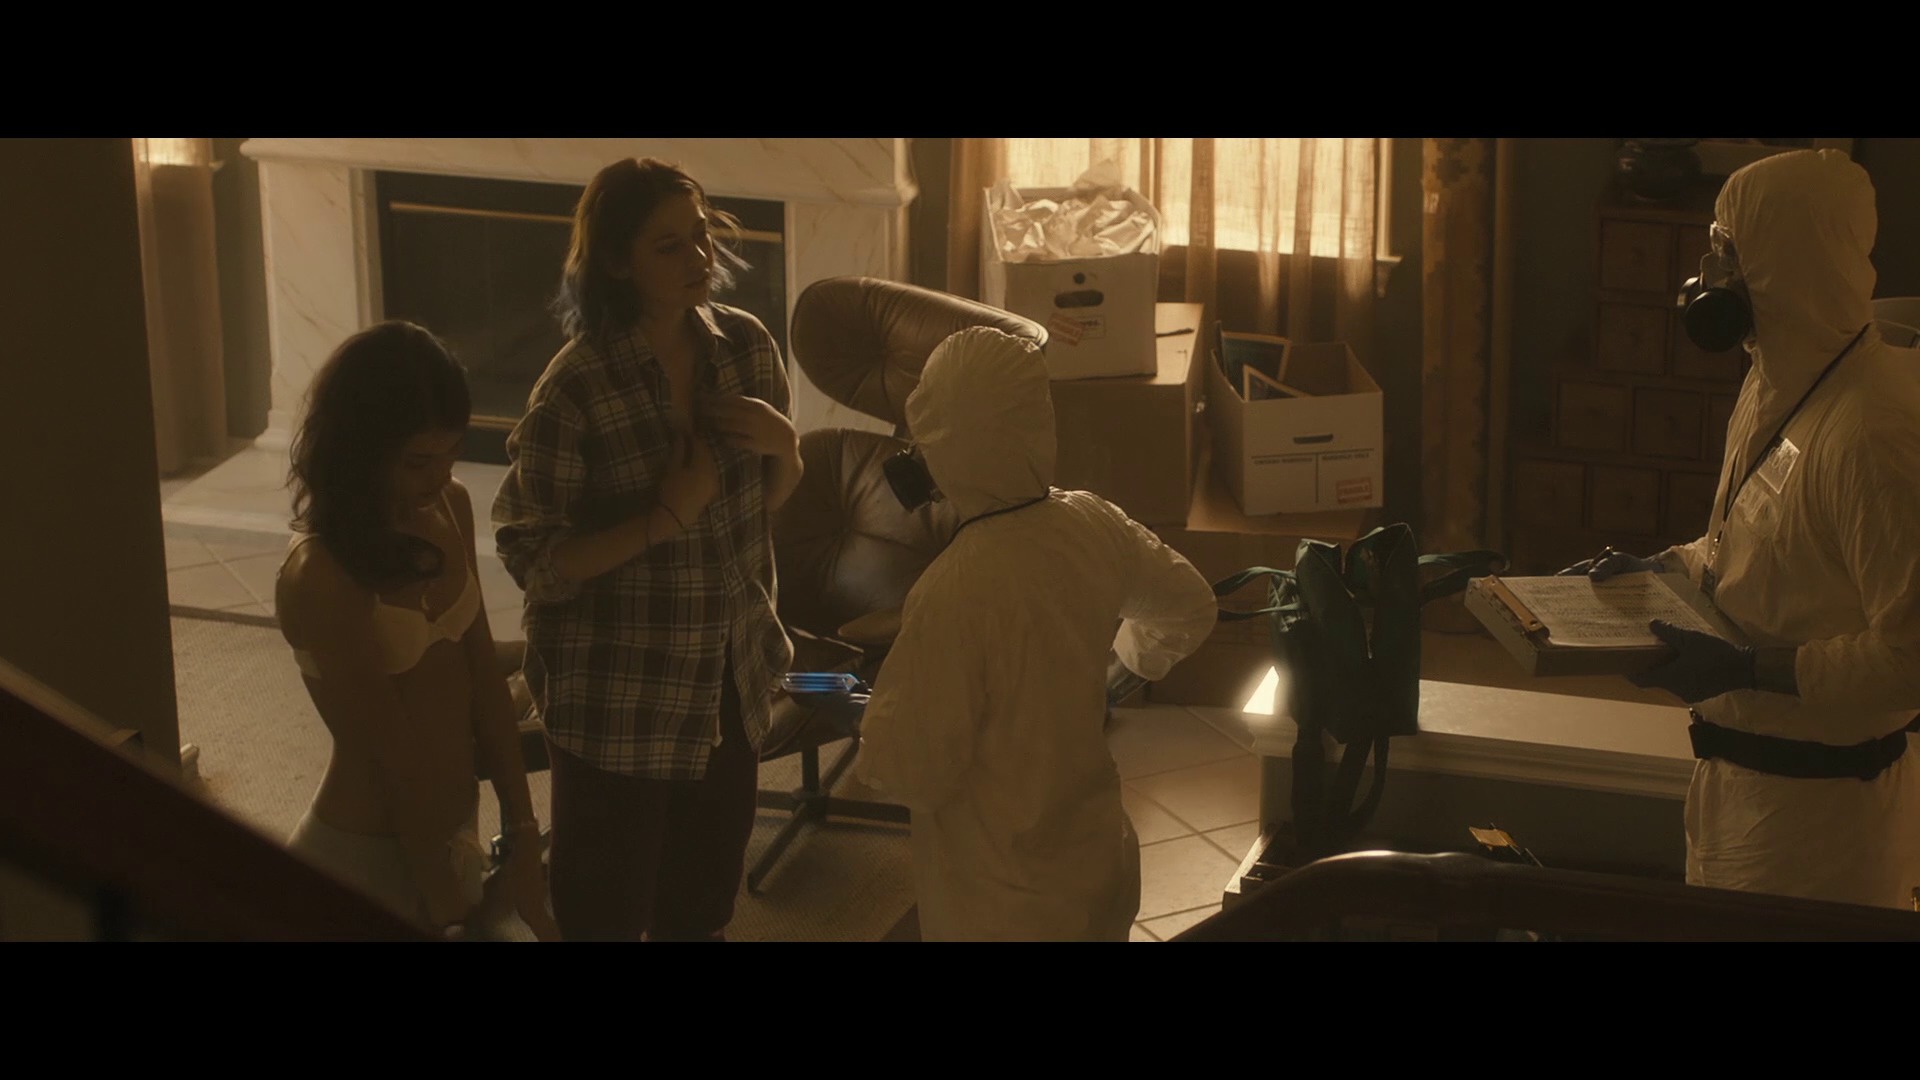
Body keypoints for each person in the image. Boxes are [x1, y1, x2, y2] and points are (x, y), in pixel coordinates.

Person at [1562, 149, 1920, 910]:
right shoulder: (1777, 383)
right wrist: (1665, 568)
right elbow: (1753, 545)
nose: (1705, 272)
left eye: (1724, 248)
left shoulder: (1875, 436)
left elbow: (1911, 659)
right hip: (1738, 791)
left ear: (1782, 260)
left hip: (1824, 830)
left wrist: (1749, 670)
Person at [491, 158, 801, 941]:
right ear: (616, 262)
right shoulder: (574, 390)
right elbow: (534, 561)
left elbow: (759, 511)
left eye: (701, 235)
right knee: (604, 919)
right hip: (619, 703)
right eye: (669, 245)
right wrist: (662, 517)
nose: (699, 257)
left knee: (701, 913)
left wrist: (788, 449)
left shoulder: (747, 348)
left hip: (729, 679)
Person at [852, 326, 1219, 941]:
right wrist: (1118, 672)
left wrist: (872, 716)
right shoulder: (1092, 522)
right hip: (1095, 866)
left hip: (996, 900)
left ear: (944, 448)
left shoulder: (950, 592)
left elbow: (908, 770)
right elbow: (1190, 606)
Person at [276, 320, 559, 941]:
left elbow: (482, 678)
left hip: (453, 834)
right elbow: (393, 759)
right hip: (362, 854)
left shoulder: (449, 505)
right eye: (417, 462)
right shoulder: (320, 574)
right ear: (359, 451)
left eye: (451, 455)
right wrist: (448, 905)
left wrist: (522, 830)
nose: (439, 477)